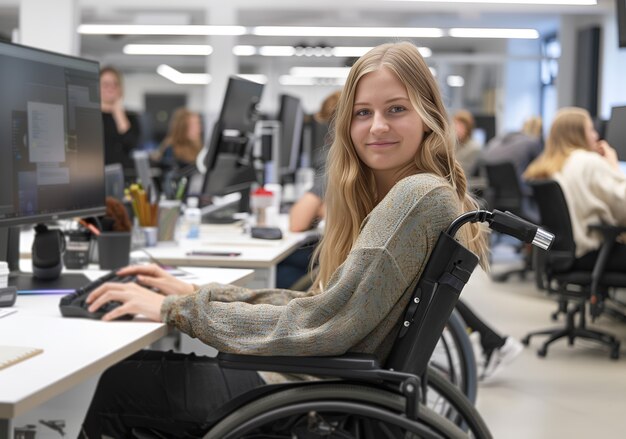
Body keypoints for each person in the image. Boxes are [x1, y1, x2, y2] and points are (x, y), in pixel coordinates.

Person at [79, 41, 488, 437]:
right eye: (363, 112)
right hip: (320, 386)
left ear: (428, 114)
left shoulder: (414, 196)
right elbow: (323, 308)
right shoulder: (420, 193)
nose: (377, 125)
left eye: (396, 109)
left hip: (306, 397)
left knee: (121, 383)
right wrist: (198, 293)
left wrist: (179, 309)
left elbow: (322, 324)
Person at [524, 106, 626, 268]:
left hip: (562, 255)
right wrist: (614, 166)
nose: (596, 135)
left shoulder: (544, 167)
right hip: (593, 255)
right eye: (591, 129)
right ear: (577, 134)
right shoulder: (588, 162)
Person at [480, 116, 543, 197]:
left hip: (494, 199)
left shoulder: (494, 142)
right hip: (521, 197)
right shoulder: (533, 143)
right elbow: (540, 170)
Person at [99, 66, 141, 177]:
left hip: (124, 175)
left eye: (115, 84)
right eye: (106, 84)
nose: (111, 88)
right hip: (97, 176)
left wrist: (118, 113)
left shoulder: (131, 117)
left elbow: (131, 145)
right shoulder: (89, 116)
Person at [453, 109, 482, 177]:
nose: (456, 128)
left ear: (468, 128)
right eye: (455, 124)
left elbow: (462, 172)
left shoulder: (474, 147)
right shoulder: (454, 145)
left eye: (461, 126)